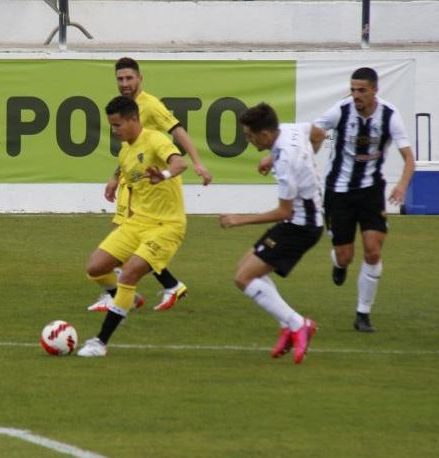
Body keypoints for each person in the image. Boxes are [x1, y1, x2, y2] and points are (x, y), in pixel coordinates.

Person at [89, 57, 213, 313]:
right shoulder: (123, 108)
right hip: (132, 179)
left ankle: (119, 293)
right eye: (120, 79)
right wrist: (115, 176)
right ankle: (165, 286)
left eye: (129, 78)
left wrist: (197, 162)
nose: (124, 83)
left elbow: (178, 131)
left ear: (140, 78)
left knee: (125, 235)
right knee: (128, 237)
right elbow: (129, 149)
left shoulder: (151, 105)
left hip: (150, 182)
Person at [77, 96, 188, 358]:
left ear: (134, 119)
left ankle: (99, 342)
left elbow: (180, 163)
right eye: (112, 126)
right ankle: (125, 299)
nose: (114, 131)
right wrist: (115, 182)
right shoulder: (125, 152)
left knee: (128, 274)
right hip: (137, 222)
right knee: (95, 268)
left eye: (118, 125)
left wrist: (164, 175)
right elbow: (132, 182)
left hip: (166, 226)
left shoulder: (155, 140)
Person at [220, 103, 324, 364]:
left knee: (244, 278)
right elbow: (319, 133)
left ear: (265, 135)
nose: (248, 140)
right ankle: (288, 325)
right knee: (246, 267)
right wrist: (303, 162)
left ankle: (298, 324)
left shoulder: (288, 160)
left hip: (300, 227)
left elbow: (283, 212)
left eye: (249, 135)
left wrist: (239, 220)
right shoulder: (290, 130)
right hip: (303, 220)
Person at [314, 67, 416, 332]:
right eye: (353, 90)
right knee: (345, 255)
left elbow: (409, 158)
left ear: (374, 91)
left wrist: (402, 185)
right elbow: (314, 129)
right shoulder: (341, 110)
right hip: (339, 192)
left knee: (373, 250)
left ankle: (363, 314)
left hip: (371, 191)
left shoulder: (390, 115)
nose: (355, 95)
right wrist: (313, 143)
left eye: (361, 90)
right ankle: (338, 263)